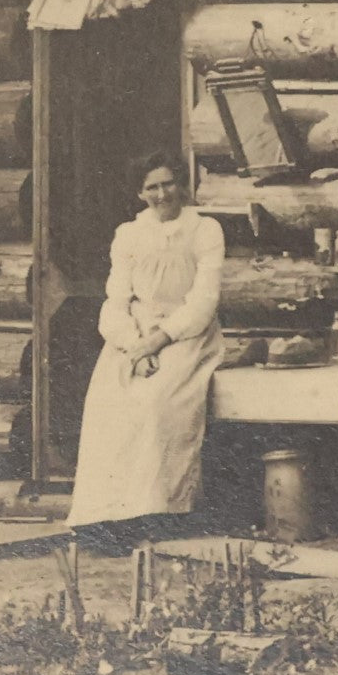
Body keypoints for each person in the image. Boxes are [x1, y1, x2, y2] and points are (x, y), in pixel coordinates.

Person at [68, 153, 226, 544]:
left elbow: (204, 301)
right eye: (151, 187)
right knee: (109, 403)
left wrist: (161, 339)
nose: (161, 194)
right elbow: (115, 299)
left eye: (168, 184)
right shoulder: (128, 234)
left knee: (158, 403)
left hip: (186, 334)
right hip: (134, 337)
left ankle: (159, 512)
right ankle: (106, 520)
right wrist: (134, 343)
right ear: (140, 193)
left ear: (182, 185)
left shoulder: (205, 230)